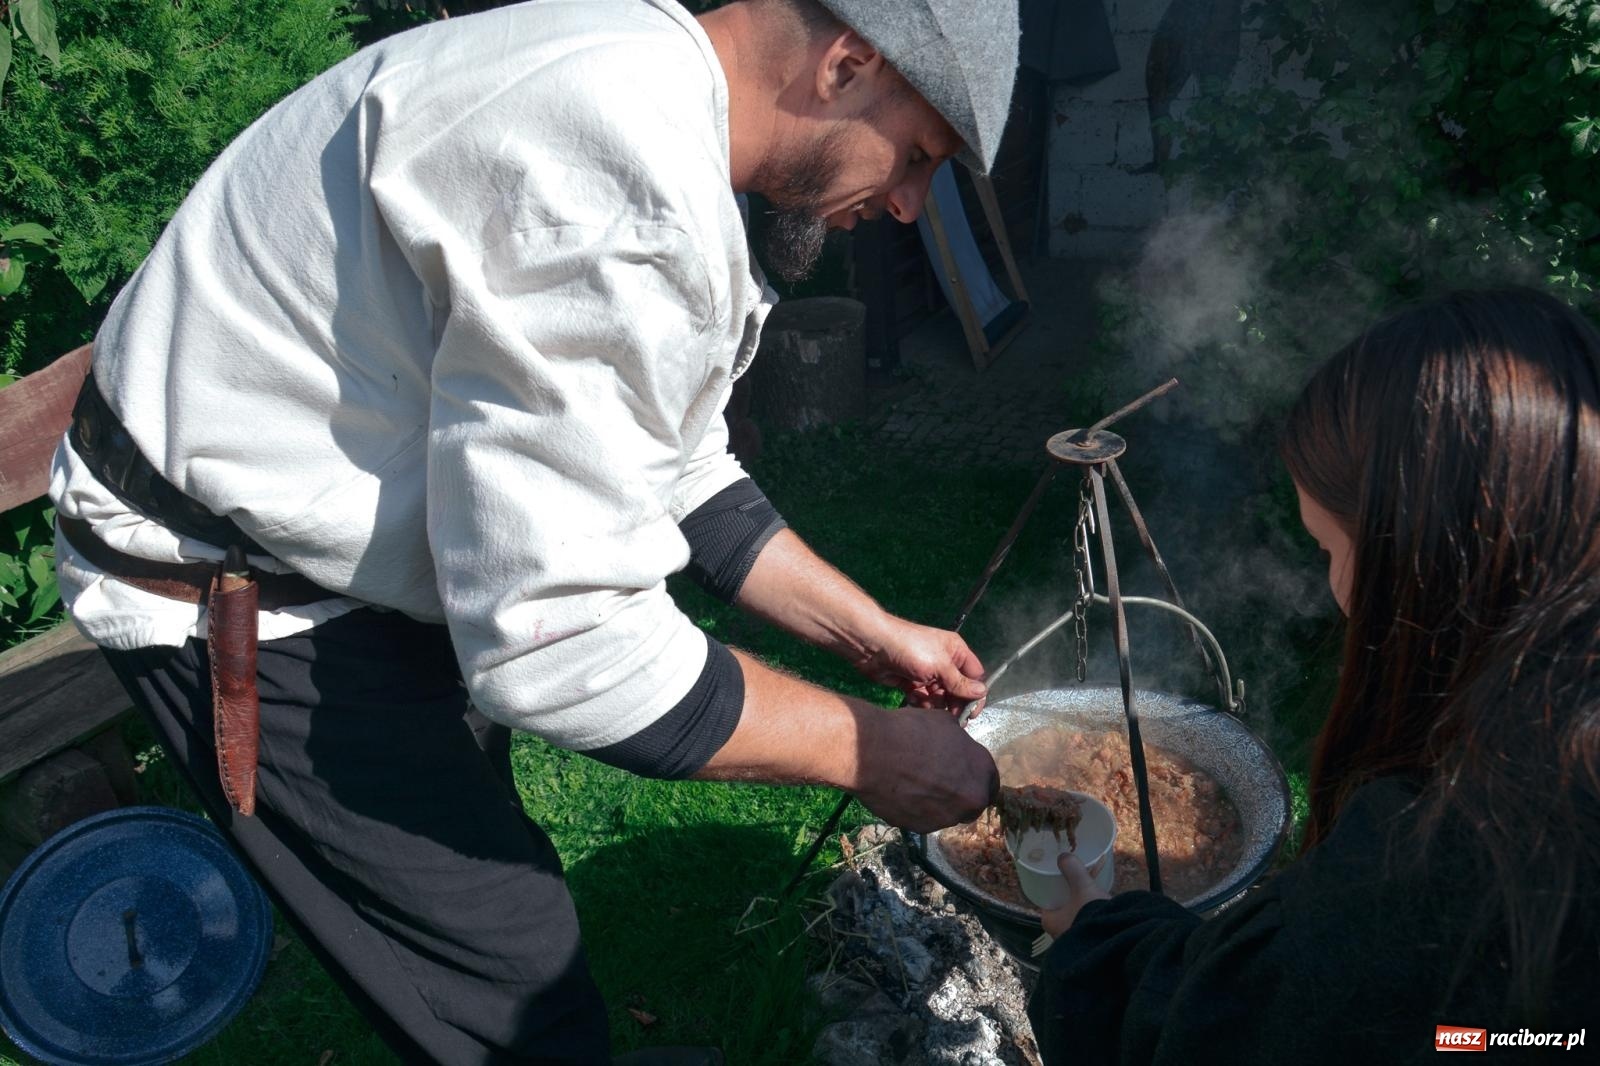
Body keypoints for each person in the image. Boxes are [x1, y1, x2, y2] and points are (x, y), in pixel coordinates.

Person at [48, 1, 1021, 1062]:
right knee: (512, 988)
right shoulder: (622, 194)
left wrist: (872, 634)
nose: (909, 203)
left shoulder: (647, 77)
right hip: (225, 582)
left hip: (329, 529)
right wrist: (873, 751)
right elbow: (562, 650)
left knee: (491, 893)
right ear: (848, 64)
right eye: (919, 153)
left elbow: (675, 464)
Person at [1027, 288, 1600, 1063]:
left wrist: (1098, 941)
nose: (1338, 596)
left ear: (1422, 563)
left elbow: (1235, 1028)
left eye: (1331, 550)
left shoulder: (1435, 856)